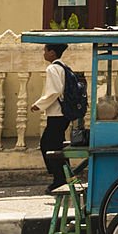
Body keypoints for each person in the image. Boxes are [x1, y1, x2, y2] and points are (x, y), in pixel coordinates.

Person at [31, 42, 71, 193]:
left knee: (48, 145)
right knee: (57, 145)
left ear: (52, 53)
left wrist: (38, 105)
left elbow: (54, 91)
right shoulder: (63, 67)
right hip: (63, 113)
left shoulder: (53, 68)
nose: (44, 53)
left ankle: (59, 178)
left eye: (45, 50)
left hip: (57, 113)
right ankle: (65, 176)